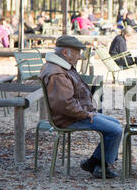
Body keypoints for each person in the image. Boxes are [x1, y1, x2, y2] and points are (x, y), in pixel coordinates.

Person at [39, 35, 123, 178]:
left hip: (75, 114)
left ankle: (95, 163)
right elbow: (65, 104)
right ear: (65, 53)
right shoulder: (57, 73)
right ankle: (100, 165)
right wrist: (85, 114)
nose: (79, 57)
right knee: (115, 130)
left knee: (116, 124)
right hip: (69, 118)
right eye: (77, 52)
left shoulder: (61, 67)